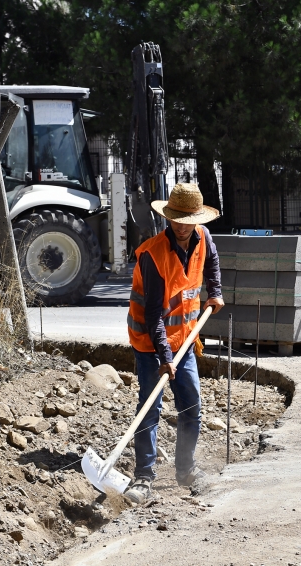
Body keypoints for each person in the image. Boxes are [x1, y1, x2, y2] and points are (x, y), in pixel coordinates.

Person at [124, 183, 224, 504]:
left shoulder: (204, 240)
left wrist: (216, 291)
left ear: (197, 219)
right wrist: (165, 357)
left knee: (191, 404)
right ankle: (143, 476)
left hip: (185, 340)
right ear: (169, 217)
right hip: (150, 341)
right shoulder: (153, 256)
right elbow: (153, 315)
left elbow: (213, 263)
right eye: (177, 219)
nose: (182, 226)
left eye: (188, 220)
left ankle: (186, 469)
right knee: (150, 407)